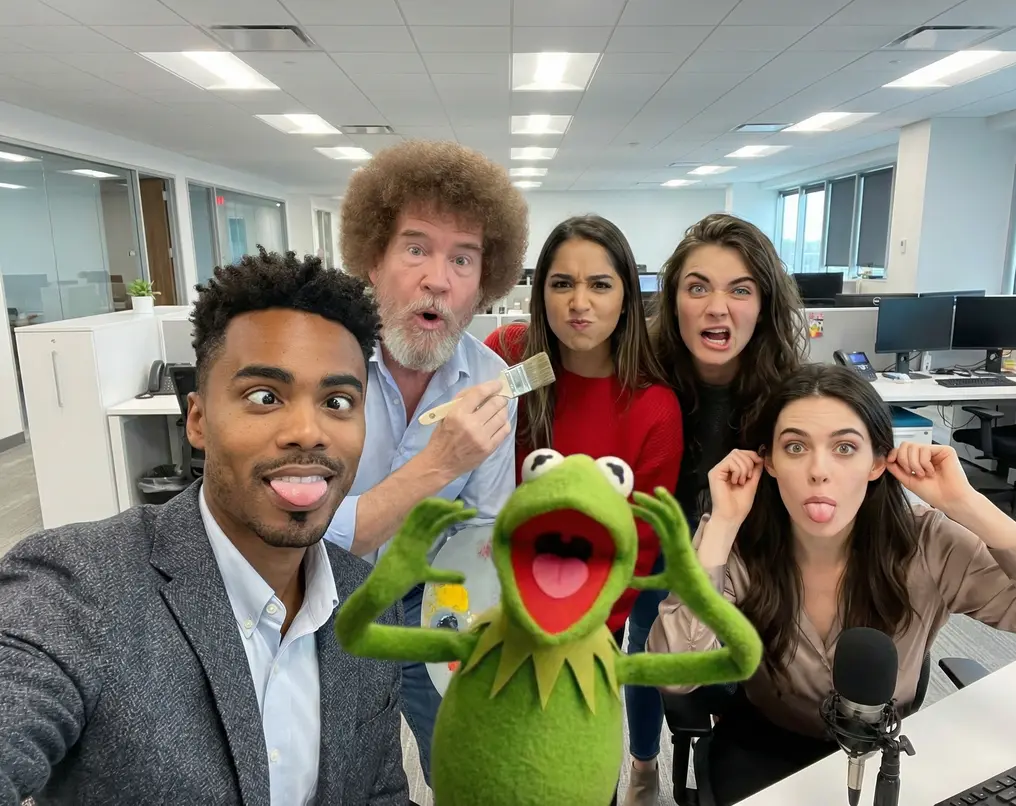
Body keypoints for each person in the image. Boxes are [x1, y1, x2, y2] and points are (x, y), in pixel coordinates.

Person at [0, 250, 410, 805]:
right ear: (197, 419)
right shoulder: (77, 589)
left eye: (338, 401)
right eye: (265, 397)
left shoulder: (369, 606)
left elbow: (378, 792)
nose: (309, 432)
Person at [648, 363, 1016, 803]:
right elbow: (676, 674)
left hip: (882, 756)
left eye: (844, 448)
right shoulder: (736, 541)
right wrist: (721, 525)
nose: (819, 471)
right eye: (795, 447)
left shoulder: (927, 542)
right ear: (770, 463)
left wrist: (968, 505)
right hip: (767, 746)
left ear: (877, 463)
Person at [324, 139, 529, 783]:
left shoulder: (491, 378)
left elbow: (482, 526)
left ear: (483, 282)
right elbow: (312, 529)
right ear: (375, 261)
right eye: (416, 248)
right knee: (333, 774)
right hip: (320, 607)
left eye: (462, 258)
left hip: (430, 603)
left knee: (466, 767)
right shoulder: (327, 364)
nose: (437, 277)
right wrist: (439, 463)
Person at [622, 213, 807, 804]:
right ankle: (645, 761)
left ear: (764, 303)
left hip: (748, 556)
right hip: (658, 543)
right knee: (648, 638)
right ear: (673, 298)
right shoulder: (640, 372)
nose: (716, 307)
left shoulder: (790, 392)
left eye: (740, 289)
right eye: (697, 286)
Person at [484, 215, 682, 629]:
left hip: (585, 623)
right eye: (561, 284)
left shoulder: (654, 407)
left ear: (627, 297)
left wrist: (575, 630)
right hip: (488, 599)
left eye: (600, 284)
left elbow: (636, 549)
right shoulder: (507, 354)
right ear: (540, 294)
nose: (579, 302)